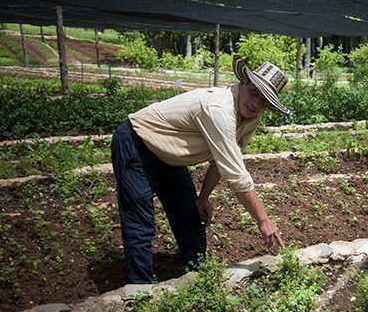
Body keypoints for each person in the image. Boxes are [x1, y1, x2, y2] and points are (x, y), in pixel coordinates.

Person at [111, 56, 288, 284]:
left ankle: (197, 279)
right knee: (140, 224)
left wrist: (204, 197)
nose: (256, 103)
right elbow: (235, 174)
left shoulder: (250, 117)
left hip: (172, 158)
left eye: (264, 101)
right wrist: (263, 220)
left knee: (191, 217)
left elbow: (221, 159)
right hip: (137, 145)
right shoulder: (218, 108)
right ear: (243, 81)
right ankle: (140, 292)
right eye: (254, 92)